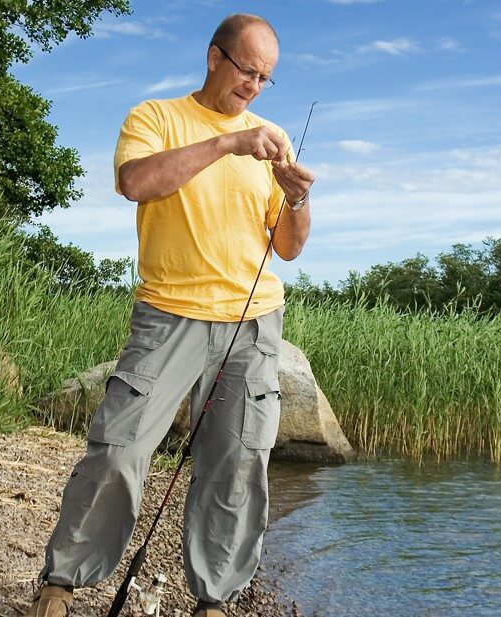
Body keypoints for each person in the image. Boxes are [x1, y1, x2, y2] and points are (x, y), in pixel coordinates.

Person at [26, 13, 315, 617]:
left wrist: (298, 198)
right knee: (118, 448)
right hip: (168, 316)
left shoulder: (276, 136)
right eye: (247, 71)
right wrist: (229, 142)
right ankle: (62, 582)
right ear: (215, 58)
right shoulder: (156, 118)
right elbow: (136, 182)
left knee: (238, 464)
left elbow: (287, 246)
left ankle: (213, 599)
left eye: (266, 78)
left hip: (253, 324)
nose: (255, 88)